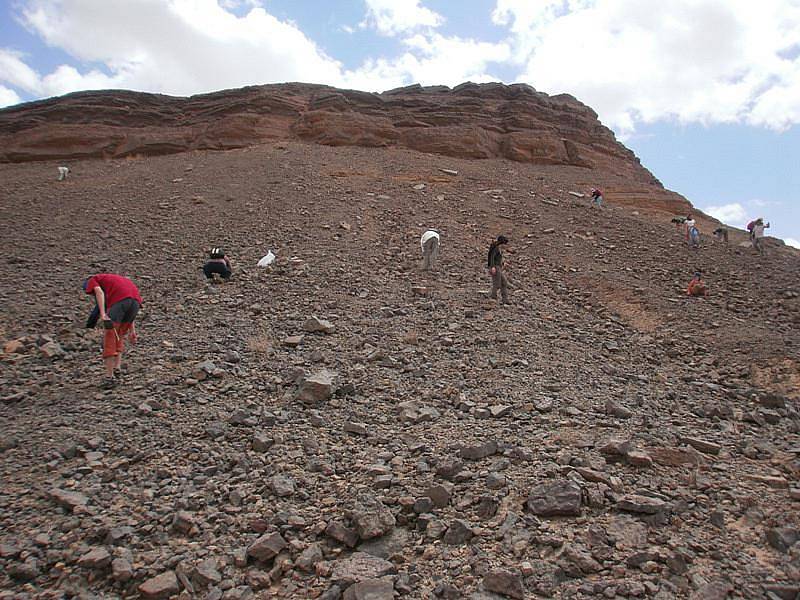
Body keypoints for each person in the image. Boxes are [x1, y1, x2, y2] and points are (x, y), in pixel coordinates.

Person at [83, 273, 142, 388]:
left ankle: (109, 377)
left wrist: (103, 314)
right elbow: (128, 300)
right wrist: (132, 331)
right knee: (118, 335)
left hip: (120, 302)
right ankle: (117, 368)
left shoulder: (93, 279)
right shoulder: (118, 281)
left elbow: (99, 292)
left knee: (110, 337)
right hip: (135, 303)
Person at [487, 235, 510, 304]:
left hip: (498, 267)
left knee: (504, 282)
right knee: (497, 283)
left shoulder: (497, 248)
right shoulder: (496, 248)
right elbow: (491, 257)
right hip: (496, 267)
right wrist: (492, 267)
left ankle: (505, 300)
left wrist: (502, 264)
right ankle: (493, 297)